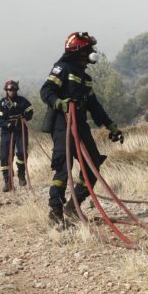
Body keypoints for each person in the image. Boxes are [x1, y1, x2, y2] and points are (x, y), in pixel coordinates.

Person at [40, 32, 124, 226]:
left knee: (92, 163)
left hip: (80, 123)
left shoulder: (85, 77)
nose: (92, 53)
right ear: (79, 52)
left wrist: (111, 125)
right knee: (63, 168)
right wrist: (59, 103)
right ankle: (55, 212)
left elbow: (95, 106)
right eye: (88, 50)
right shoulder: (62, 68)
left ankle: (73, 206)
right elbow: (46, 91)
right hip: (63, 123)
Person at [0, 80, 34, 191]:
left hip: (20, 130)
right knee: (4, 156)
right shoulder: (2, 103)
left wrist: (23, 117)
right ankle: (7, 181)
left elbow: (30, 112)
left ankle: (21, 174)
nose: (11, 92)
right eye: (9, 90)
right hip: (7, 132)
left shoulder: (23, 101)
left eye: (13, 90)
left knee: (22, 152)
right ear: (6, 91)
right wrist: (7, 124)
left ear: (16, 90)